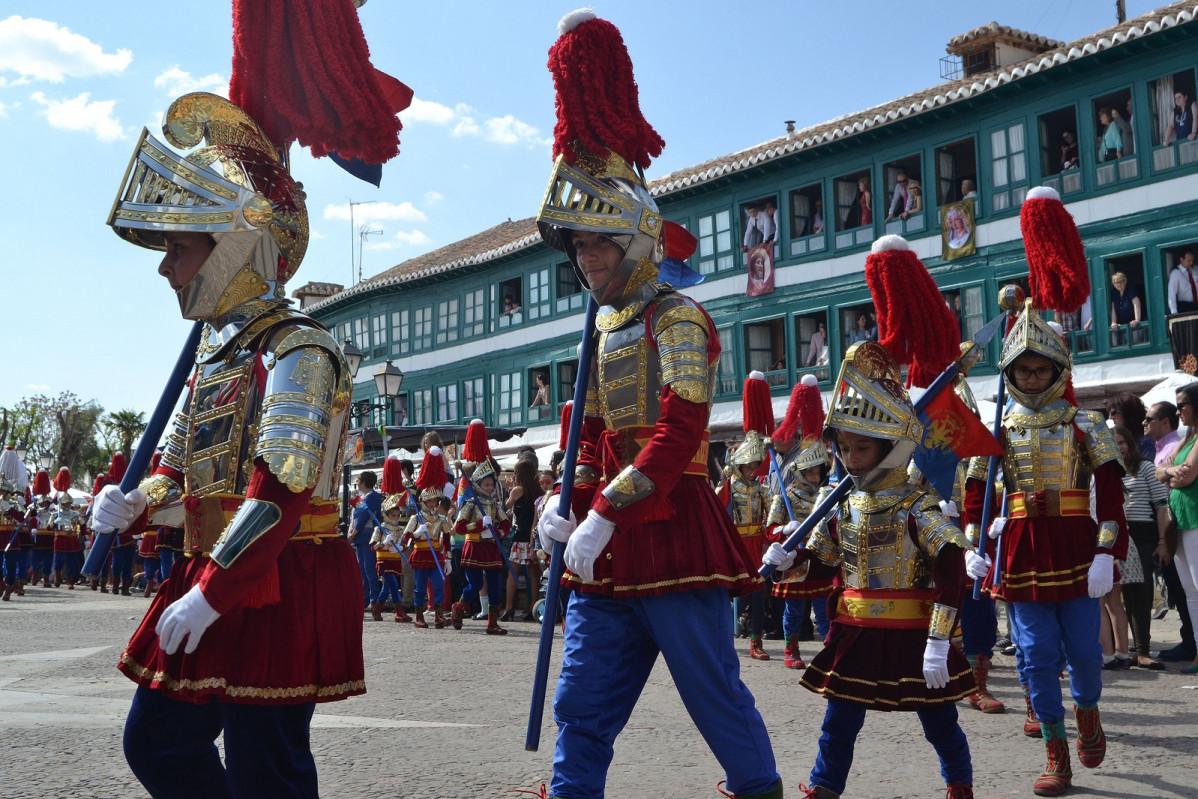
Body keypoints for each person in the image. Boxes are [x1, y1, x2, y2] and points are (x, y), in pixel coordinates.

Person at [532, 12, 781, 797]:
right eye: (576, 247)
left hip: (673, 530)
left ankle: (760, 786)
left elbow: (679, 435)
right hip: (606, 545)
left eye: (598, 244)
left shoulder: (676, 318)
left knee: (714, 696)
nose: (585, 259)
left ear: (636, 242)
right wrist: (565, 501)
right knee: (583, 702)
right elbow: (590, 433)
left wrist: (606, 508)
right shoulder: (602, 328)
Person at [92, 91, 364, 798]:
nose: (167, 269)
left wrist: (212, 593)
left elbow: (281, 490)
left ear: (233, 249)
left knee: (265, 765)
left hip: (278, 578)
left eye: (179, 250)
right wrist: (137, 504)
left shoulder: (298, 349)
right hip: (219, 570)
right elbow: (177, 466)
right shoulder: (216, 354)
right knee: (157, 739)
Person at [763, 342, 975, 799]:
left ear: (891, 446)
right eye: (844, 447)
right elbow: (821, 566)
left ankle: (960, 785)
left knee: (940, 723)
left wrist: (940, 640)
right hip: (855, 629)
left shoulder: (918, 503)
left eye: (863, 447)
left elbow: (952, 566)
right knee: (838, 724)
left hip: (914, 632)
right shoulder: (841, 506)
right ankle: (824, 787)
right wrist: (787, 565)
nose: (852, 457)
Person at [964, 300, 1127, 797]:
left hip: (1077, 546)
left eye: (1041, 369)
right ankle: (1057, 754)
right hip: (1020, 548)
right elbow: (976, 497)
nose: (1033, 378)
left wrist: (1107, 553)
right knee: (1034, 657)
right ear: (1011, 373)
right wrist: (974, 542)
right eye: (1024, 370)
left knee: (1084, 652)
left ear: (1059, 370)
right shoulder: (995, 431)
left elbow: (1114, 500)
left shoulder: (1087, 424)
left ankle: (1089, 713)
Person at [765, 438, 831, 669]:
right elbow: (769, 530)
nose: (814, 477)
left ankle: (829, 650)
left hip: (821, 557)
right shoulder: (784, 497)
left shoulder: (827, 495)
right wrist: (784, 529)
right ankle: (790, 649)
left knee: (825, 610)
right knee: (794, 611)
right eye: (810, 473)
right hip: (794, 559)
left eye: (817, 473)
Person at [1110, 426, 1168, 669]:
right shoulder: (1105, 471)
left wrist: (1163, 541)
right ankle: (1122, 649)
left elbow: (1162, 506)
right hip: (1113, 533)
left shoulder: (1145, 468)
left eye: (1122, 442)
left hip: (1143, 534)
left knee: (1141, 593)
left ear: (1130, 444)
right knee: (1112, 596)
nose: (1119, 448)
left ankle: (1142, 651)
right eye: (1114, 443)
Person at [720, 431, 772, 660]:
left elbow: (771, 518)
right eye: (749, 466)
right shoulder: (727, 488)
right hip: (735, 545)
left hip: (757, 546)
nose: (752, 471)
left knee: (759, 595)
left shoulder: (762, 489)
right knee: (731, 595)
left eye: (755, 466)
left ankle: (756, 642)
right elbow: (718, 518)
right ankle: (723, 638)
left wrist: (770, 540)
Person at [1158, 382, 1198, 674]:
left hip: (1195, 518)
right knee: (1190, 591)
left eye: (1182, 405)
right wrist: (1170, 473)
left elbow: (1186, 477)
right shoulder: (1188, 438)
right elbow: (1163, 470)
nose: (1178, 411)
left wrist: (1170, 475)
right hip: (1181, 520)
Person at [401, 487, 451, 629]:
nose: (431, 504)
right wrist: (416, 533)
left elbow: (446, 539)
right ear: (423, 501)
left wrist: (448, 558)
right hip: (421, 555)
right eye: (429, 501)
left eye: (434, 501)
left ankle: (438, 615)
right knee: (420, 588)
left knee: (438, 585)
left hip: (435, 555)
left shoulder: (441, 519)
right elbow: (406, 539)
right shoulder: (416, 518)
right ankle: (419, 615)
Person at [503, 457, 543, 622]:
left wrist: (510, 489)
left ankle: (509, 607)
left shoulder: (517, 491)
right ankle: (533, 605)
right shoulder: (538, 491)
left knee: (513, 573)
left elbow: (506, 506)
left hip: (519, 537)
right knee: (534, 574)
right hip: (532, 536)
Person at [370, 494, 408, 623]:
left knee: (387, 587)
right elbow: (373, 547)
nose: (396, 518)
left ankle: (376, 608)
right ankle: (399, 611)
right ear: (386, 515)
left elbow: (405, 545)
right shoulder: (379, 529)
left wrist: (401, 548)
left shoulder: (400, 529)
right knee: (393, 584)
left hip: (395, 560)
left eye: (398, 515)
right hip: (384, 560)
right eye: (393, 515)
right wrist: (384, 543)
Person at [348, 470, 383, 607]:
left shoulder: (372, 496)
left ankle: (374, 599)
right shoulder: (363, 497)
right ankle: (365, 598)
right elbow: (354, 518)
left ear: (364, 482)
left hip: (368, 535)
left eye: (359, 480)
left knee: (369, 569)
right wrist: (352, 531)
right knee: (362, 569)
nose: (358, 483)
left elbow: (364, 518)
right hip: (360, 536)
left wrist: (353, 533)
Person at [1105, 392, 1155, 461]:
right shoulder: (1114, 439)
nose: (1110, 417)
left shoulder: (1146, 442)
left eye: (1113, 412)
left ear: (1128, 413)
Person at [1107, 271, 1143, 342]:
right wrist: (1113, 322)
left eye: (1121, 281)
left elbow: (1137, 304)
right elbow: (1113, 309)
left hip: (1134, 326)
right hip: (1121, 326)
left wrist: (1137, 320)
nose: (1119, 284)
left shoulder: (1130, 289)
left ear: (1125, 281)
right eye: (1116, 282)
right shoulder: (1114, 292)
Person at [1167, 250, 1198, 314]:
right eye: (1189, 261)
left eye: (1192, 260)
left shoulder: (1195, 270)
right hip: (1186, 308)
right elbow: (1171, 296)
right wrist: (1175, 314)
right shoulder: (1175, 274)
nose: (1191, 263)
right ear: (1181, 259)